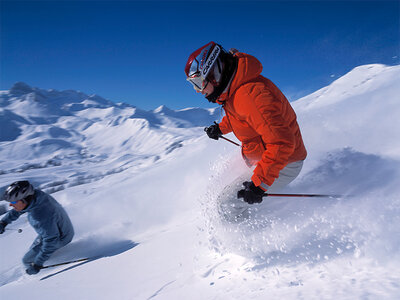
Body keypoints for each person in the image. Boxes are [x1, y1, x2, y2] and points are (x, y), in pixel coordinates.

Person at [185, 42, 307, 205]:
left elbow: (281, 142)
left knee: (227, 204)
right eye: (193, 84)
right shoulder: (234, 89)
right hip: (269, 159)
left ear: (214, 74)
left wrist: (259, 184)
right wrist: (220, 128)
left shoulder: (250, 95)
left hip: (284, 163)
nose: (197, 90)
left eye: (198, 83)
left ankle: (252, 230)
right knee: (228, 193)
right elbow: (242, 116)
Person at [0, 180, 74, 275]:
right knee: (33, 252)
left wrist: (37, 264)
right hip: (59, 229)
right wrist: (4, 222)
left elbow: (51, 240)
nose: (11, 204)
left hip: (61, 237)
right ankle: (43, 259)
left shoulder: (41, 216)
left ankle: (42, 274)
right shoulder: (36, 197)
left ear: (24, 199)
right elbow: (18, 209)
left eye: (13, 201)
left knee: (26, 261)